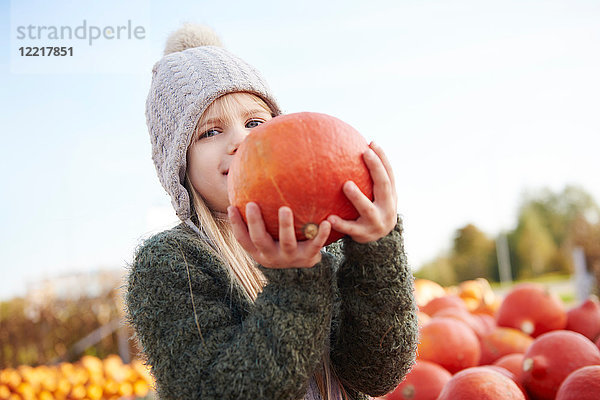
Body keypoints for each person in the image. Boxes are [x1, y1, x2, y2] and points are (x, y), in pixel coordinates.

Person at [126, 23, 418, 400]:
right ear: (180, 166)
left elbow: (377, 373)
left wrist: (376, 248)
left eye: (254, 123)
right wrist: (295, 281)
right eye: (210, 132)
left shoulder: (322, 236)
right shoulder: (171, 263)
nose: (241, 141)